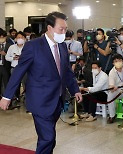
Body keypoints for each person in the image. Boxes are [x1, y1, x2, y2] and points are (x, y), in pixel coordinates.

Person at [0, 12, 82, 154]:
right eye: (61, 29)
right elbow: (19, 71)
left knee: (48, 137)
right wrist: (7, 96)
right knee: (48, 137)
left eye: (65, 29)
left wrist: (75, 89)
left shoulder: (62, 46)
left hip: (57, 99)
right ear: (49, 28)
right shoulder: (33, 46)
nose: (64, 32)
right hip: (40, 100)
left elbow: (66, 71)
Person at [5, 31, 26, 100]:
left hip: (25, 68)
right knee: (15, 84)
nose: (20, 39)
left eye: (21, 37)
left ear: (24, 38)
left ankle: (26, 98)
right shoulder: (12, 47)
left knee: (25, 84)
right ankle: (16, 98)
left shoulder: (27, 46)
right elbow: (6, 57)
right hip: (14, 68)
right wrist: (13, 58)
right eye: (18, 37)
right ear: (16, 38)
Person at [0, 29, 11, 95]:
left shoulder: (9, 45)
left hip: (6, 66)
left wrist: (5, 54)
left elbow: (12, 55)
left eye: (2, 37)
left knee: (6, 82)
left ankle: (7, 96)